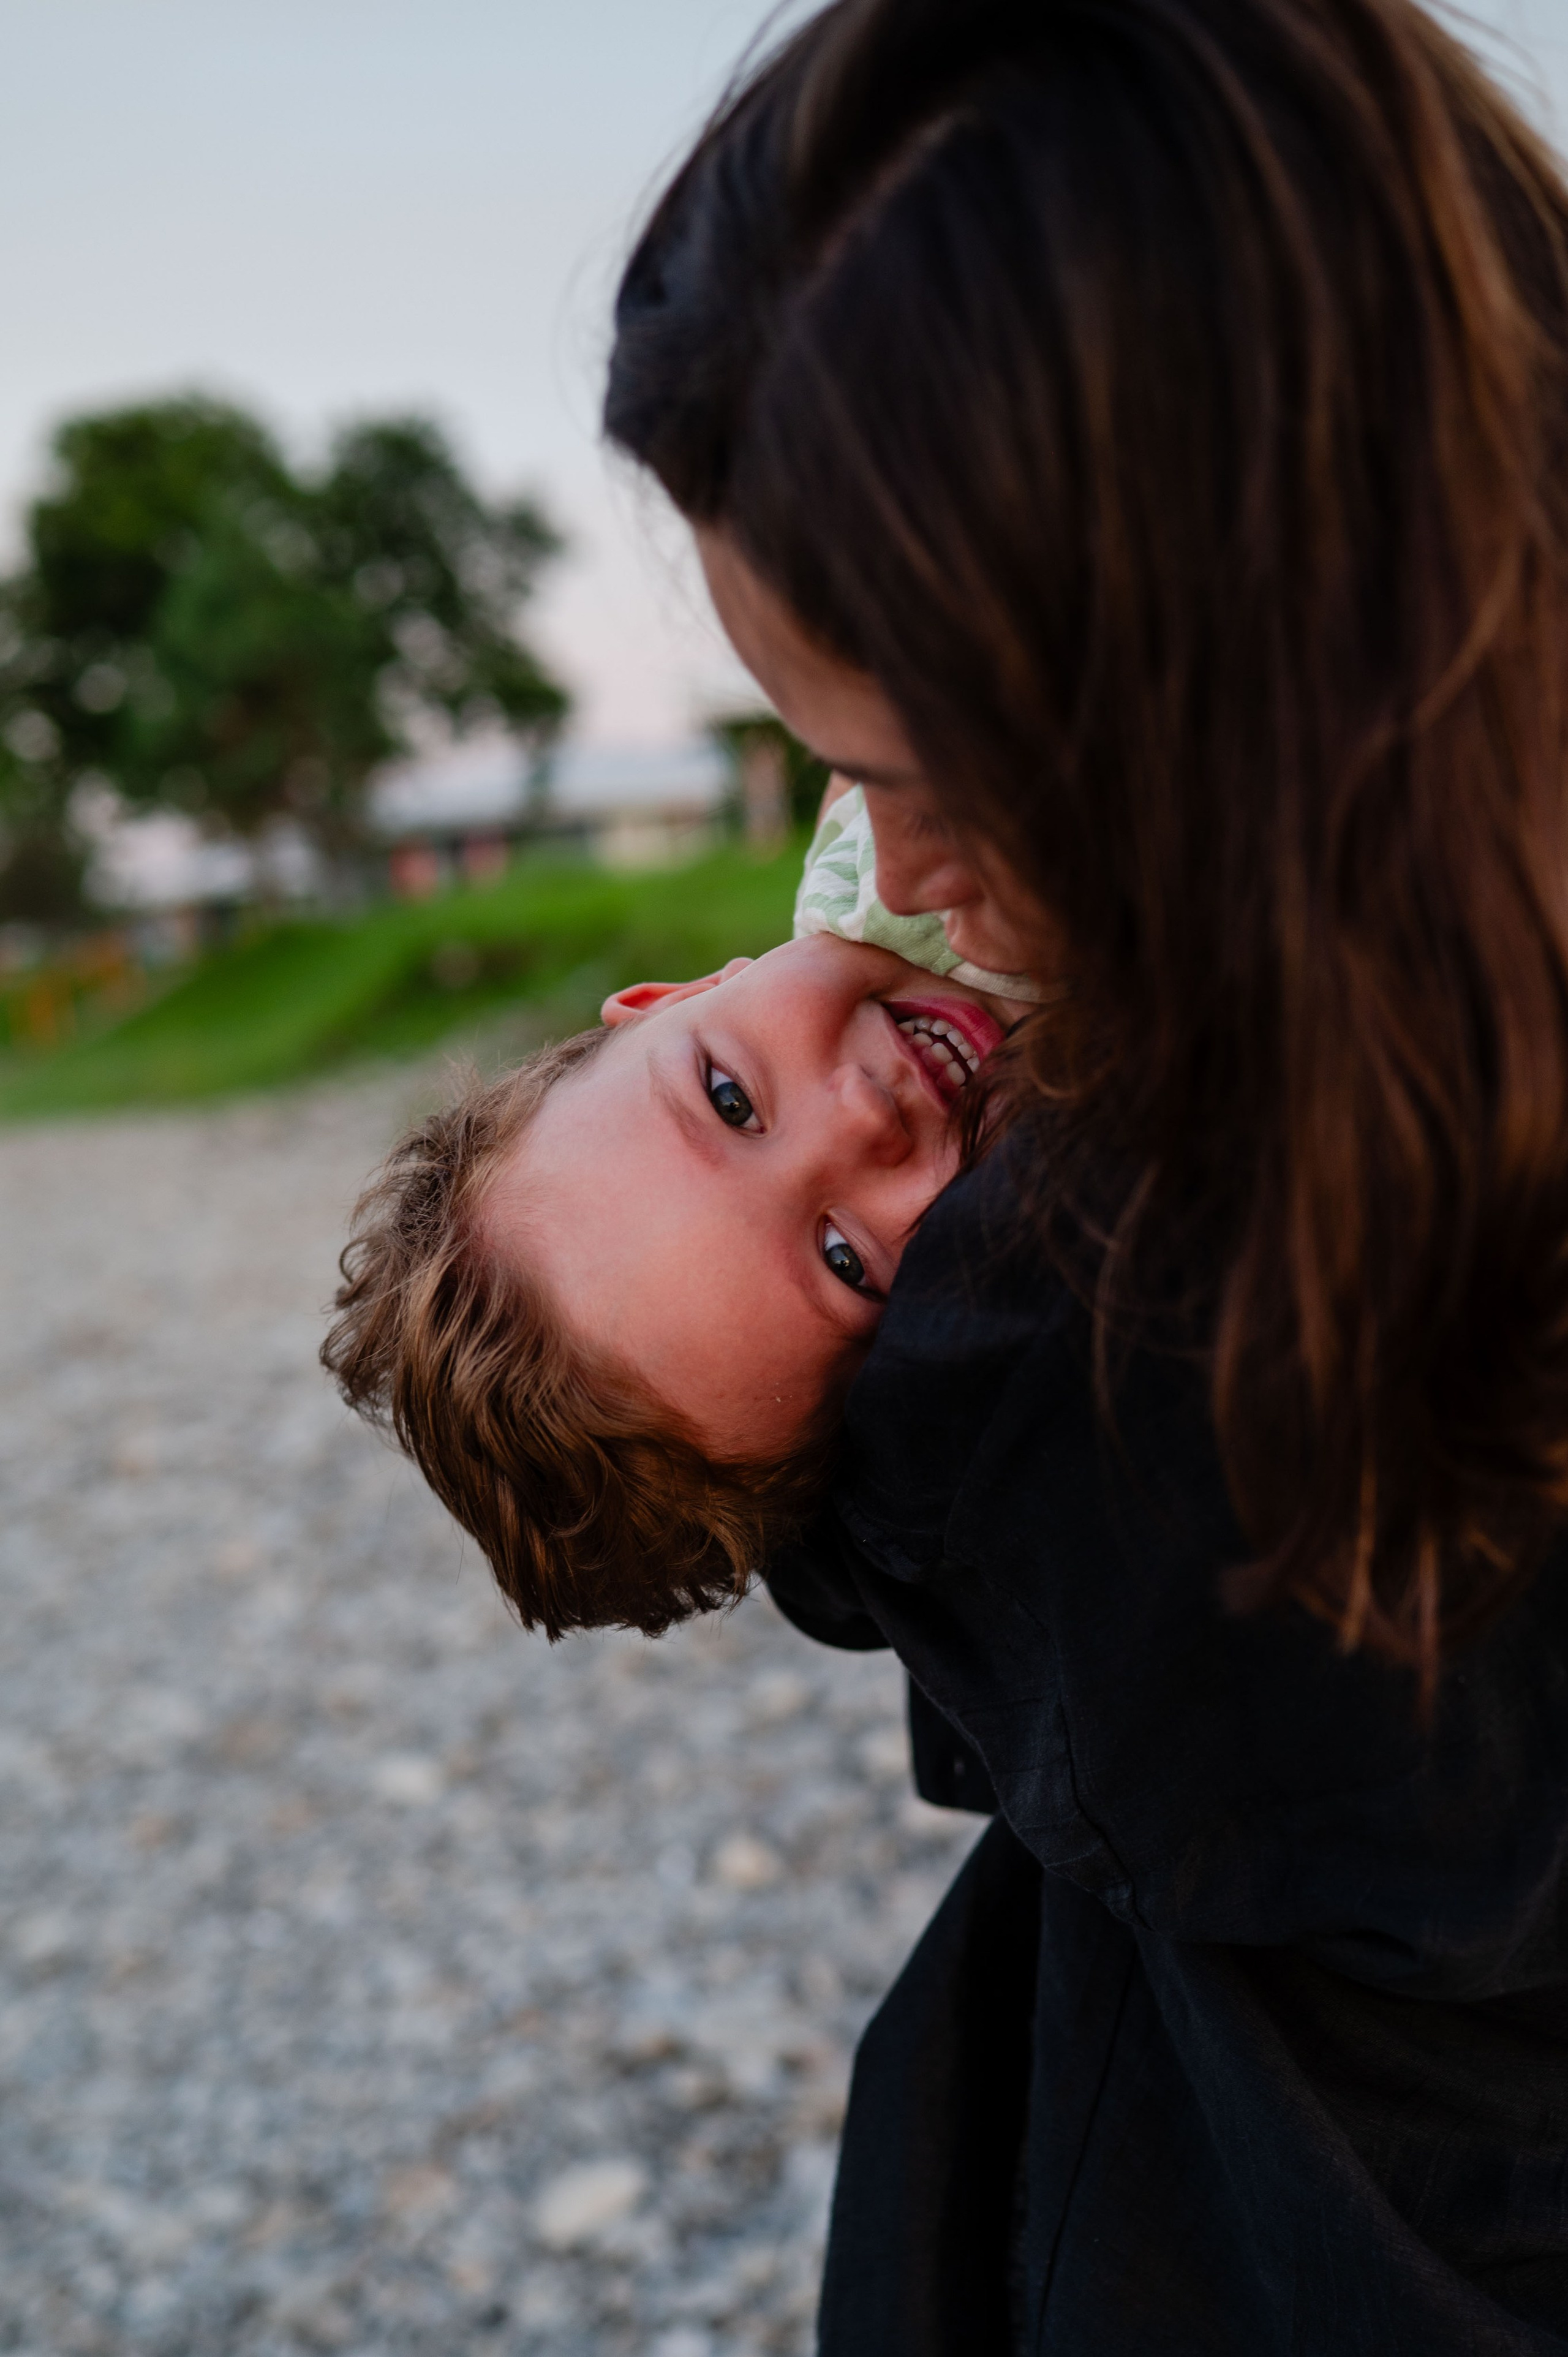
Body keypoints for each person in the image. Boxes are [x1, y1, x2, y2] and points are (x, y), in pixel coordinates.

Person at [599, 0, 1568, 2350]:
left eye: (951, 756)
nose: (897, 868)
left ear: (1270, 656)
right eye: (828, 768)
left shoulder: (1150, 1341)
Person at [321, 782, 1042, 1637]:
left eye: (729, 1097)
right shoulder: (1125, 1158)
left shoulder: (883, 816)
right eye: (843, 1258)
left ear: (674, 996)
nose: (861, 1116)